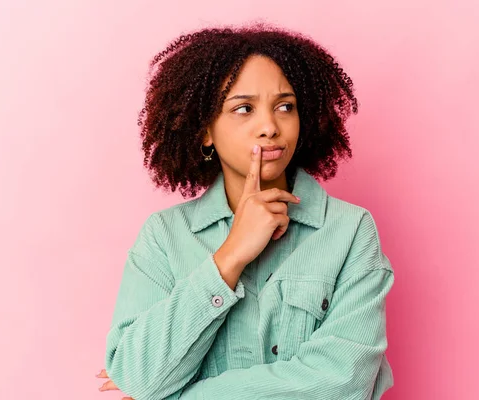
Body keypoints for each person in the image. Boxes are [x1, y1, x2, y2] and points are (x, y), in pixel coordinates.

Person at [95, 23, 395, 400]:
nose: (270, 127)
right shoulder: (164, 236)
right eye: (244, 109)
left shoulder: (350, 231)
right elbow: (135, 375)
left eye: (285, 107)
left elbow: (343, 382)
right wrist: (229, 257)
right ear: (205, 130)